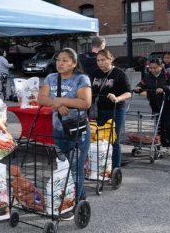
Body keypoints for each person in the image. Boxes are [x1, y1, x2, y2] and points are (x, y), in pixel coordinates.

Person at [37, 48, 91, 220]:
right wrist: (57, 104)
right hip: (58, 130)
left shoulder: (81, 79)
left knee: (76, 168)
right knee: (63, 167)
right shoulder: (51, 78)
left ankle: (79, 201)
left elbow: (85, 103)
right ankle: (67, 199)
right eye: (59, 60)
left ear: (74, 64)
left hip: (78, 131)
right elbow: (41, 98)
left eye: (65, 60)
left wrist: (61, 100)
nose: (60, 63)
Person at [91, 49, 131, 167]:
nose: (100, 63)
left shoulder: (119, 73)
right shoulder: (95, 73)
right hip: (99, 111)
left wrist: (117, 98)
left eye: (103, 60)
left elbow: (128, 93)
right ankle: (101, 166)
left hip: (116, 110)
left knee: (114, 139)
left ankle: (115, 168)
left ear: (110, 59)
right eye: (98, 60)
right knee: (98, 138)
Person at [133, 58, 170, 156]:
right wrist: (138, 88)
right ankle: (163, 144)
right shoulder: (148, 76)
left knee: (168, 126)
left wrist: (163, 89)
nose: (152, 70)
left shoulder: (168, 75)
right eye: (151, 68)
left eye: (155, 68)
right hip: (155, 103)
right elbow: (142, 84)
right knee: (159, 125)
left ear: (161, 66)